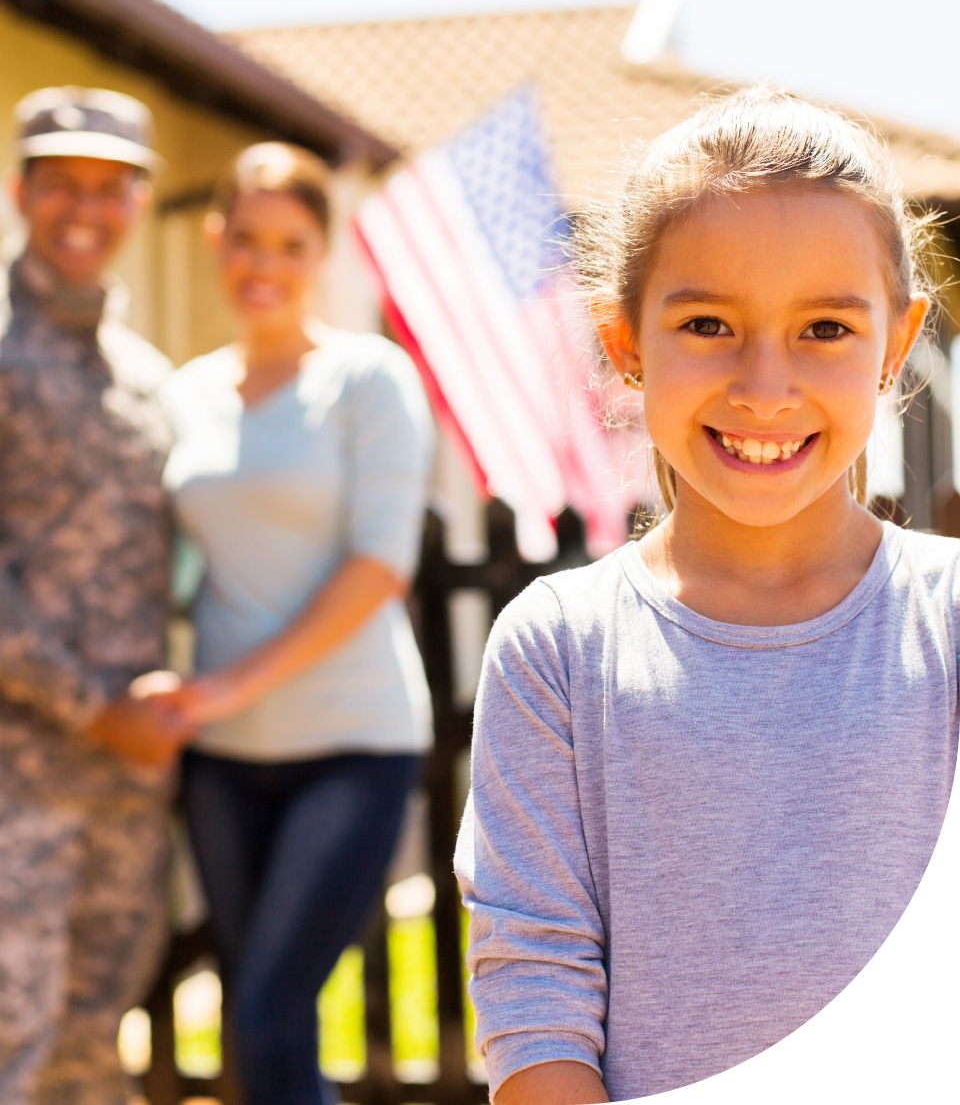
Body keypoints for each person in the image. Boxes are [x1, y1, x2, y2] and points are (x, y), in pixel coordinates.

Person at [454, 89, 959, 1102]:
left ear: (897, 341)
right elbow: (536, 997)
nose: (765, 386)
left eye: (823, 326)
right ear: (625, 338)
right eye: (708, 323)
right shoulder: (558, 651)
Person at [159, 142, 435, 1105]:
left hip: (351, 741)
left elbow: (380, 567)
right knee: (260, 1019)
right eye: (245, 239)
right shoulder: (181, 394)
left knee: (271, 1012)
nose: (264, 264)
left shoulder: (370, 381)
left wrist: (233, 681)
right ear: (214, 239)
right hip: (220, 756)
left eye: (290, 242)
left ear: (323, 251)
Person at [0, 87, 194, 1105]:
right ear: (22, 191)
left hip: (125, 793)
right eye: (60, 183)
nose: (84, 208)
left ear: (138, 200)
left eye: (109, 187)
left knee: (86, 1049)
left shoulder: (147, 377)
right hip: (17, 782)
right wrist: (93, 708)